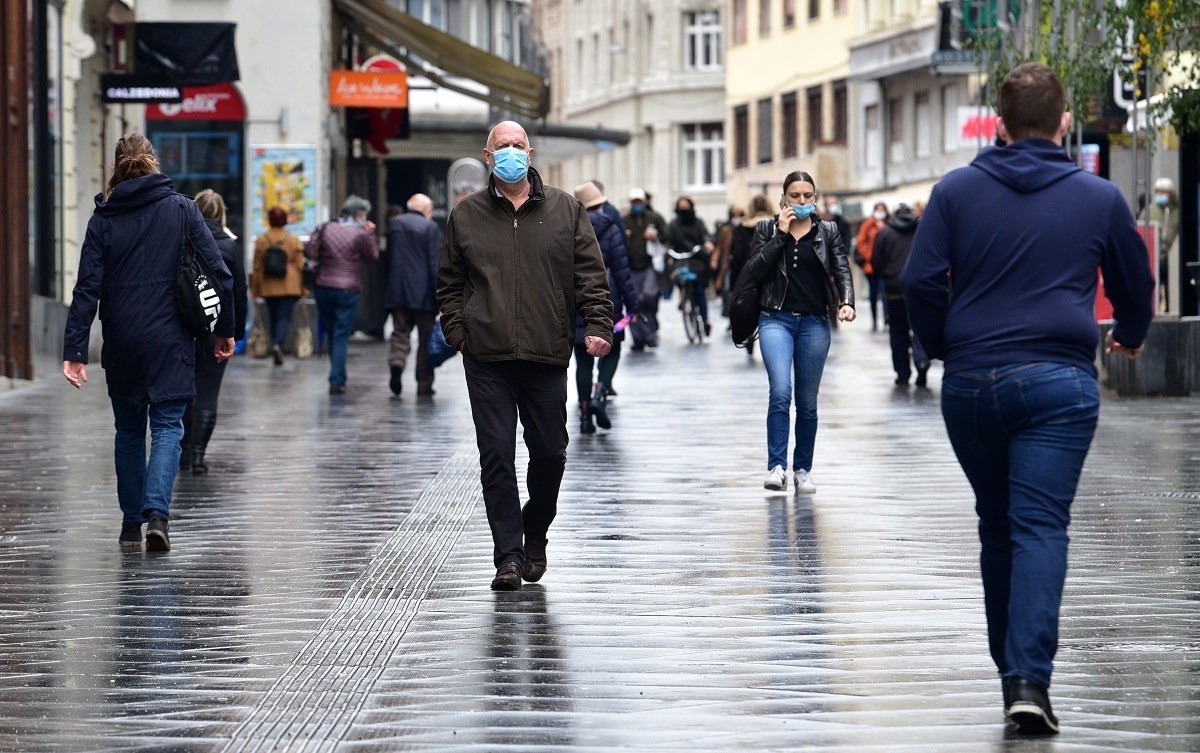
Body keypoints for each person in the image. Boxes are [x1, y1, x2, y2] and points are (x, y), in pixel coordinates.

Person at [902, 62, 1155, 735]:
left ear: (1001, 123)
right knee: (1040, 525)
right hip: (1057, 383)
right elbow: (1136, 285)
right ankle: (1028, 679)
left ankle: (1009, 671)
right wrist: (1128, 335)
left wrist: (947, 346)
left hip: (973, 384)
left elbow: (920, 281)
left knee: (997, 523)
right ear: (1064, 122)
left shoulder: (955, 192)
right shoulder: (1096, 197)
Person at [438, 120, 613, 591]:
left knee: (551, 454)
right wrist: (460, 332)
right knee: (496, 456)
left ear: (530, 153)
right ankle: (509, 557)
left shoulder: (567, 209)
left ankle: (535, 533)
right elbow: (450, 284)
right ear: (489, 154)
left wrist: (598, 325)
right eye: (503, 146)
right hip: (486, 355)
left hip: (545, 352)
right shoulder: (466, 215)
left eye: (519, 145)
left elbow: (590, 277)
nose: (511, 152)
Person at [62, 133, 235, 552]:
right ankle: (158, 515)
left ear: (116, 168)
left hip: (121, 337)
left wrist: (75, 350)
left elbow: (87, 289)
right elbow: (220, 272)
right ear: (154, 162)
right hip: (170, 336)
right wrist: (223, 329)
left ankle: (128, 525)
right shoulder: (181, 209)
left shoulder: (102, 219)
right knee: (167, 426)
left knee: (127, 430)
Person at [741, 171, 855, 494]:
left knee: (806, 401)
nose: (802, 201)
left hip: (814, 323)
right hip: (775, 319)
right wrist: (780, 234)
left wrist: (846, 302)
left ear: (815, 197)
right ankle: (776, 466)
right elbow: (754, 270)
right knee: (780, 391)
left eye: (808, 195)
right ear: (784, 198)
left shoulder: (828, 231)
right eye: (795, 196)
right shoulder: (765, 228)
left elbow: (842, 269)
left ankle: (803, 469)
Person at [180, 189, 247, 474]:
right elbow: (238, 292)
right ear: (221, 215)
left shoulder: (182, 241)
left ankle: (181, 452)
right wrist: (235, 331)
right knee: (207, 392)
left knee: (182, 391)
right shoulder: (229, 246)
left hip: (182, 326)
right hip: (216, 328)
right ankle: (197, 457)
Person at [573, 181, 640, 434]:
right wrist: (633, 306)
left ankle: (583, 415)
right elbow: (622, 271)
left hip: (576, 301)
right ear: (601, 204)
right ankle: (601, 394)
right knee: (612, 349)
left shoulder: (569, 229)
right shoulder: (611, 229)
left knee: (582, 360)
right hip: (608, 299)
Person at [305, 195, 380, 395]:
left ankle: (336, 374)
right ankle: (337, 380)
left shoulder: (325, 227)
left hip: (323, 286)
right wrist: (371, 235)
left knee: (332, 332)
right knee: (340, 335)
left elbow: (310, 250)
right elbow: (373, 257)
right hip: (347, 289)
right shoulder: (360, 234)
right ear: (359, 214)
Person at [384, 192, 441, 396]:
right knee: (426, 338)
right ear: (425, 210)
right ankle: (424, 383)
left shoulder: (395, 224)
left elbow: (389, 256)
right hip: (423, 292)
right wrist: (439, 293)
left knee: (400, 332)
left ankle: (397, 362)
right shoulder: (430, 227)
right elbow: (434, 263)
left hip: (398, 288)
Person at [869, 203, 928, 386]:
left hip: (894, 288)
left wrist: (886, 274)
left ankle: (902, 373)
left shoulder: (885, 233)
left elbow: (876, 262)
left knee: (898, 332)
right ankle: (922, 362)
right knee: (920, 329)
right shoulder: (923, 230)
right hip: (919, 288)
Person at [251, 206, 306, 366]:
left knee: (273, 315)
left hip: (268, 284)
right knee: (284, 316)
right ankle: (278, 344)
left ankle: (276, 343)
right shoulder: (293, 239)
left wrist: (255, 289)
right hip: (290, 284)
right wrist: (303, 289)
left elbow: (257, 266)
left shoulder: (262, 239)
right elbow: (300, 266)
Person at [623, 187, 669, 350]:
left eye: (639, 202)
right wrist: (624, 236)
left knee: (648, 298)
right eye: (634, 202)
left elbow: (666, 236)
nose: (637, 205)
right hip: (630, 265)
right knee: (633, 302)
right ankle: (637, 338)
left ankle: (650, 334)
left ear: (644, 202)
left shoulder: (654, 218)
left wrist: (655, 236)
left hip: (649, 263)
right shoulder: (624, 220)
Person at [665, 196, 714, 336]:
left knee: (699, 290)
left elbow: (706, 235)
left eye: (686, 206)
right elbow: (669, 241)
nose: (684, 210)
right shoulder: (673, 225)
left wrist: (707, 243)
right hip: (680, 258)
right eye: (682, 207)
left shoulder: (698, 223)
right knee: (678, 278)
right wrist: (668, 252)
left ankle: (705, 320)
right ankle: (683, 296)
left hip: (696, 258)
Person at [1138, 177, 1179, 310]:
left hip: (1171, 256)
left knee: (1169, 286)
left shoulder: (1178, 211)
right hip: (1153, 256)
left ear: (1170, 193)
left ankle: (1169, 309)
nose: (1160, 195)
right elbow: (1140, 230)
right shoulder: (1150, 210)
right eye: (1157, 192)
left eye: (1163, 192)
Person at [855, 201, 890, 331]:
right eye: (878, 209)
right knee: (873, 294)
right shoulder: (868, 224)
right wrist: (870, 256)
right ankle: (874, 319)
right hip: (870, 266)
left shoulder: (888, 224)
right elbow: (861, 242)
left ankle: (887, 318)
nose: (880, 212)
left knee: (885, 293)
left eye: (882, 209)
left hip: (885, 265)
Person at [712, 205, 745, 316]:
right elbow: (719, 247)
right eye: (734, 216)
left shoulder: (746, 230)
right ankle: (730, 315)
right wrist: (714, 260)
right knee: (728, 290)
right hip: (729, 265)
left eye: (739, 216)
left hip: (743, 264)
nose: (737, 218)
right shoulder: (726, 231)